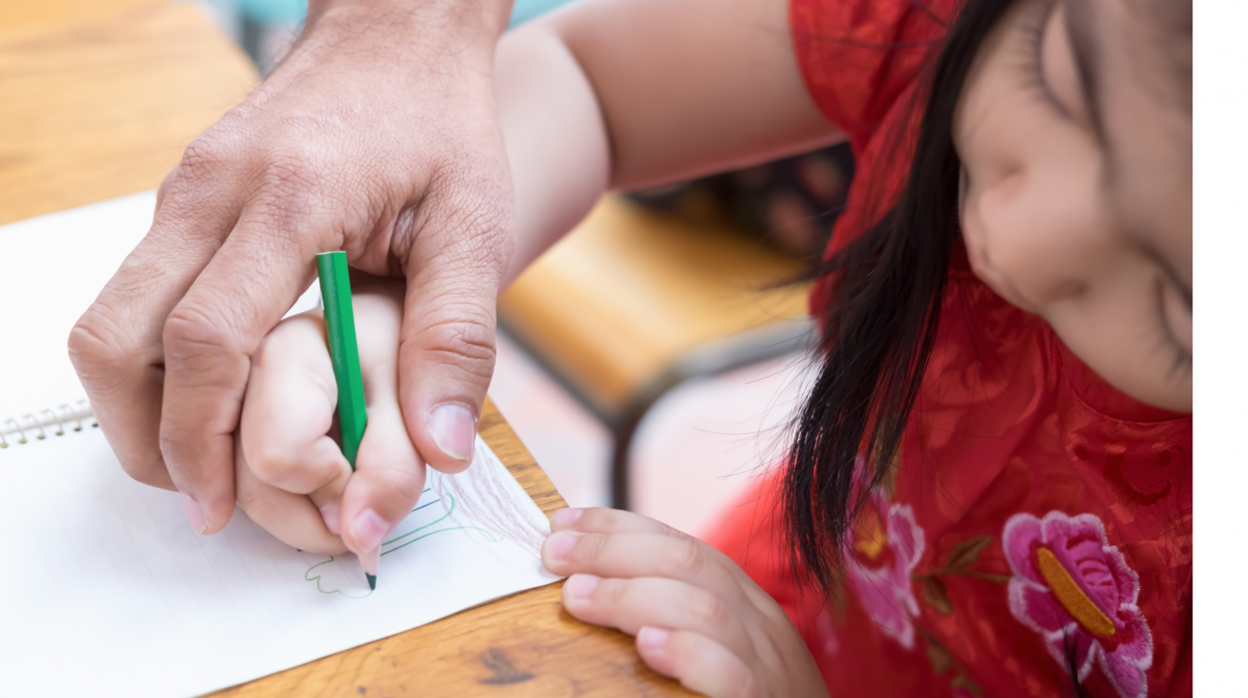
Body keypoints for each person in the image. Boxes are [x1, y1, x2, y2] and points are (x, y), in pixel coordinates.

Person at [119, 0, 1198, 695]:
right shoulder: (932, 23)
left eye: (1178, 301)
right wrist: (416, 293)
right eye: (1060, 79)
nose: (1017, 231)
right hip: (769, 583)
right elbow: (584, 81)